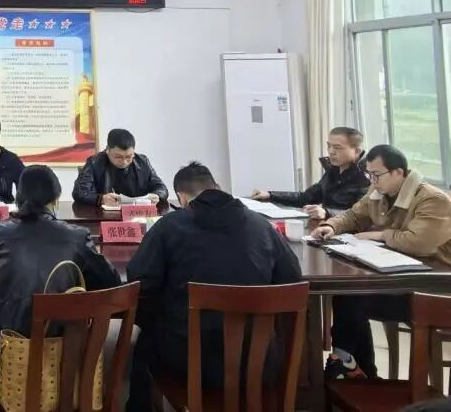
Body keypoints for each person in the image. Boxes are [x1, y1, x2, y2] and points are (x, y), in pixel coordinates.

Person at [125, 162, 302, 412]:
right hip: (258, 361)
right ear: (217, 187)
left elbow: (139, 282)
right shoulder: (261, 225)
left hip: (188, 362)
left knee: (143, 342)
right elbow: (292, 278)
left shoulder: (169, 226)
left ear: (181, 197)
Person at [0, 165, 121, 362]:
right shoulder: (77, 237)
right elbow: (111, 282)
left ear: (18, 199)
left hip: (9, 353)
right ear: (56, 200)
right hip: (65, 356)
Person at [311, 144, 451, 379]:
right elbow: (355, 214)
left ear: (399, 172)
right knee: (350, 294)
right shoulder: (379, 191)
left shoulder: (433, 199)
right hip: (403, 277)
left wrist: (379, 235)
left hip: (435, 289)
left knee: (354, 298)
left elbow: (419, 243)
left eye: (377, 175)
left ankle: (350, 366)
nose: (372, 181)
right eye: (369, 175)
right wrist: (331, 226)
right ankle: (354, 366)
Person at [251, 126, 369, 219]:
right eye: (329, 146)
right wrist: (270, 195)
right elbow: (307, 198)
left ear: (356, 151)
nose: (331, 151)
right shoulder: (334, 169)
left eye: (337, 147)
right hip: (330, 227)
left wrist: (326, 213)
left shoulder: (368, 175)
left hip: (351, 234)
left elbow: (361, 215)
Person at [72, 128, 168, 207]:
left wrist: (156, 195)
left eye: (129, 156)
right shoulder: (94, 162)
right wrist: (101, 199)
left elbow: (161, 188)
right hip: (104, 215)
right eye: (118, 157)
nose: (124, 161)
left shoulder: (142, 162)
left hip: (137, 214)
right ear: (108, 150)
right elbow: (79, 193)